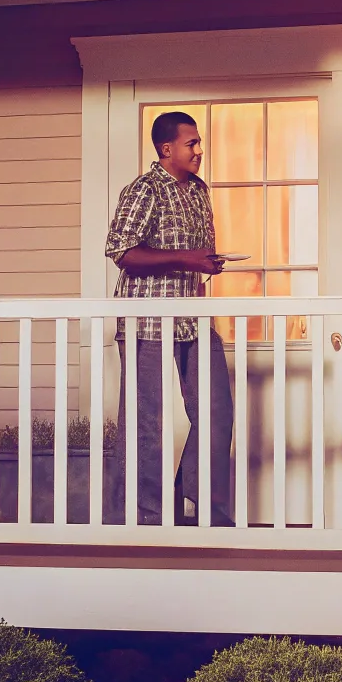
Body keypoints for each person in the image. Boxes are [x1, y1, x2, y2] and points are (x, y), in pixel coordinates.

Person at [103, 111, 234, 526]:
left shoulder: (198, 191)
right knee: (147, 424)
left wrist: (205, 264)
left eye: (199, 142)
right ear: (166, 149)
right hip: (147, 322)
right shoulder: (143, 191)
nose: (199, 150)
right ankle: (144, 519)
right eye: (191, 143)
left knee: (216, 414)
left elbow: (196, 253)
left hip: (193, 319)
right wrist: (186, 258)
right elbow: (121, 251)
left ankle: (201, 504)